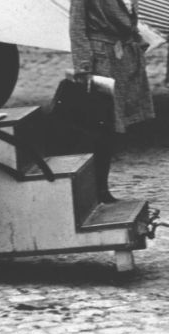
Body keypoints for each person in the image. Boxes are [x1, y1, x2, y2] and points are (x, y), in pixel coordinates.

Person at [69, 0, 155, 203]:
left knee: (111, 128)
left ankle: (101, 188)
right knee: (100, 126)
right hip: (102, 60)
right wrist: (83, 67)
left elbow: (130, 17)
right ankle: (95, 190)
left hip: (123, 56)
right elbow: (77, 26)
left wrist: (138, 43)